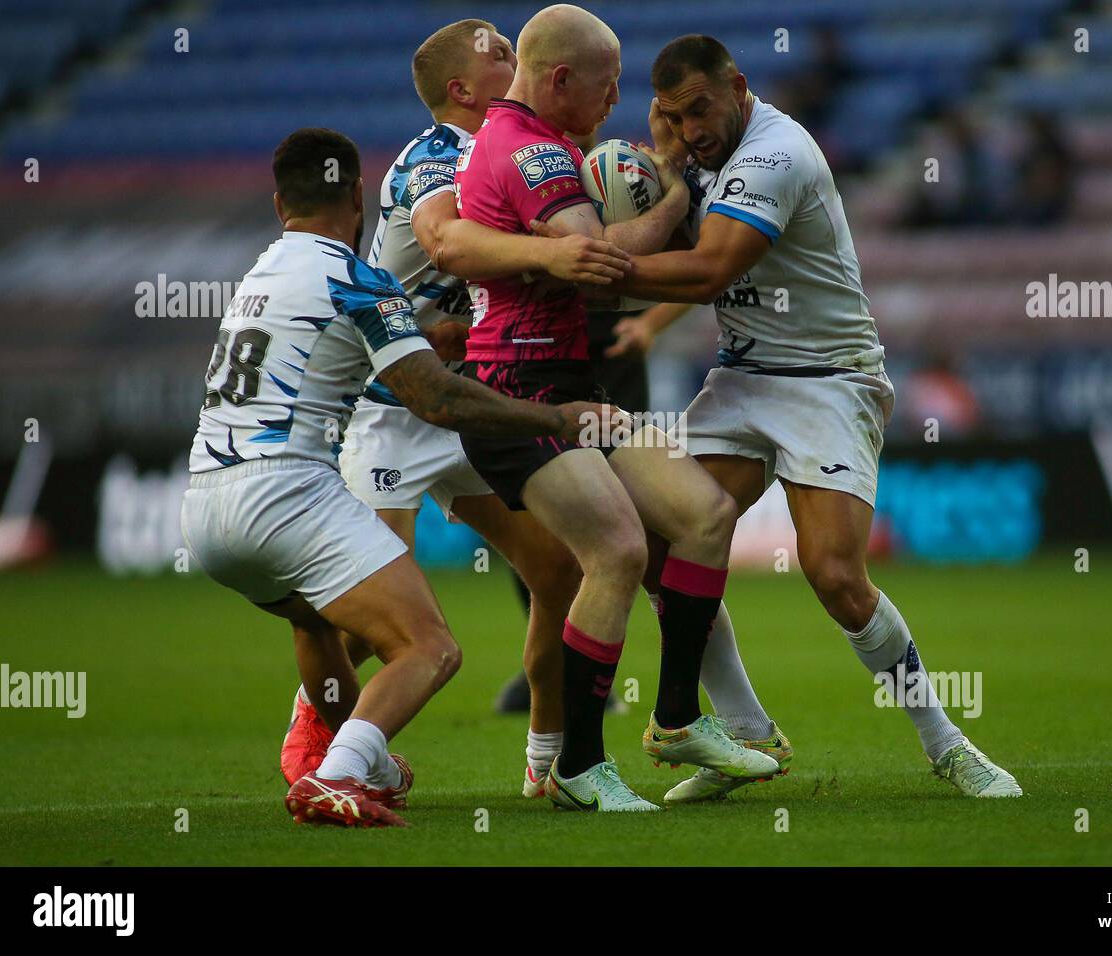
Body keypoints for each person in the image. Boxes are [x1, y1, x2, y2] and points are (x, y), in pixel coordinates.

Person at [543, 34, 1023, 800]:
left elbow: (711, 267)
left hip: (829, 380)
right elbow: (669, 221)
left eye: (701, 108)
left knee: (834, 573)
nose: (691, 128)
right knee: (665, 545)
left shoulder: (777, 153)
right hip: (742, 377)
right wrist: (661, 176)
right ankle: (745, 733)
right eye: (673, 114)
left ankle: (948, 743)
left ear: (736, 87)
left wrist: (602, 270)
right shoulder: (689, 151)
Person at [181, 127, 613, 827]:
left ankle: (358, 761)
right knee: (429, 647)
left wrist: (422, 332)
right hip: (287, 496)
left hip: (205, 508)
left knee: (316, 622)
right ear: (358, 194)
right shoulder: (356, 280)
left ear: (277, 202)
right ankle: (336, 773)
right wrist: (560, 419)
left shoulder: (259, 276)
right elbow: (437, 400)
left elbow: (348, 342)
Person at [278, 19, 630, 802]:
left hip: (476, 401)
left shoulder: (520, 151)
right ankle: (320, 724)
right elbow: (445, 242)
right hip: (396, 408)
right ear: (461, 91)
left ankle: (548, 757)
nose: (514, 55)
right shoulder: (441, 154)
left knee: (559, 568)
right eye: (496, 53)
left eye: (514, 45)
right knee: (365, 619)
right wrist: (551, 251)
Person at [445, 4, 780, 811]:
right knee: (620, 552)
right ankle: (578, 768)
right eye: (608, 84)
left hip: (575, 391)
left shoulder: (541, 140)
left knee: (702, 515)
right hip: (515, 397)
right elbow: (596, 262)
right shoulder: (531, 153)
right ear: (560, 79)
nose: (617, 99)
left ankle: (672, 722)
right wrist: (672, 198)